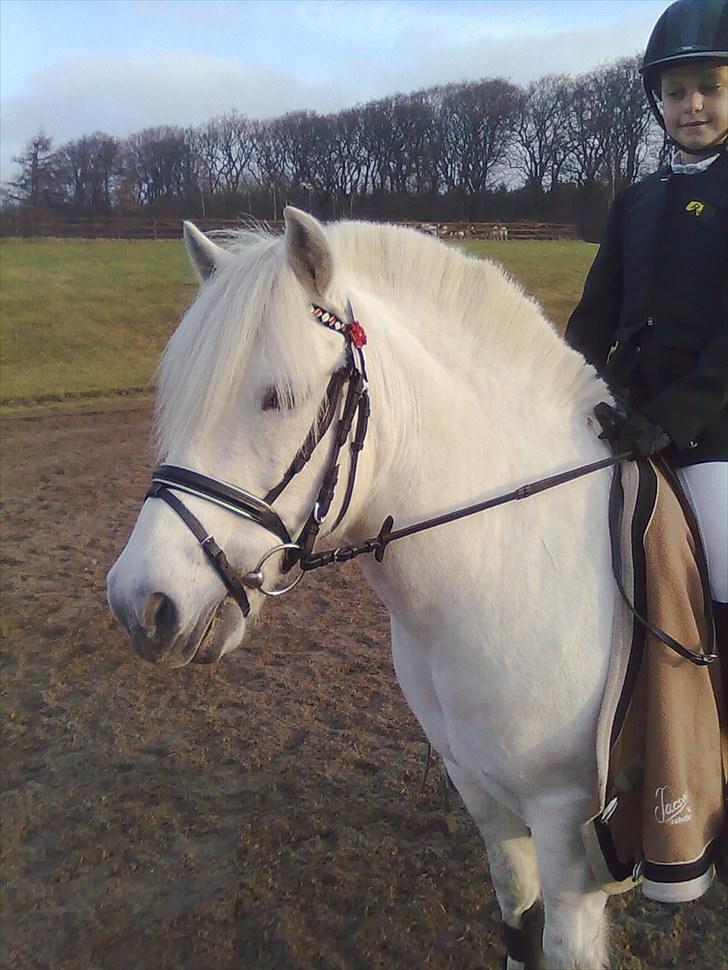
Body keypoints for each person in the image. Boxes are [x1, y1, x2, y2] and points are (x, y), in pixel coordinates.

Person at [565, 0, 727, 882]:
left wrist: (674, 420)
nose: (692, 104)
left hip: (712, 436)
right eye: (676, 91)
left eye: (709, 85)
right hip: (623, 421)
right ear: (655, 102)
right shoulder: (635, 202)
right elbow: (592, 321)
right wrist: (552, 392)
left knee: (727, 563)